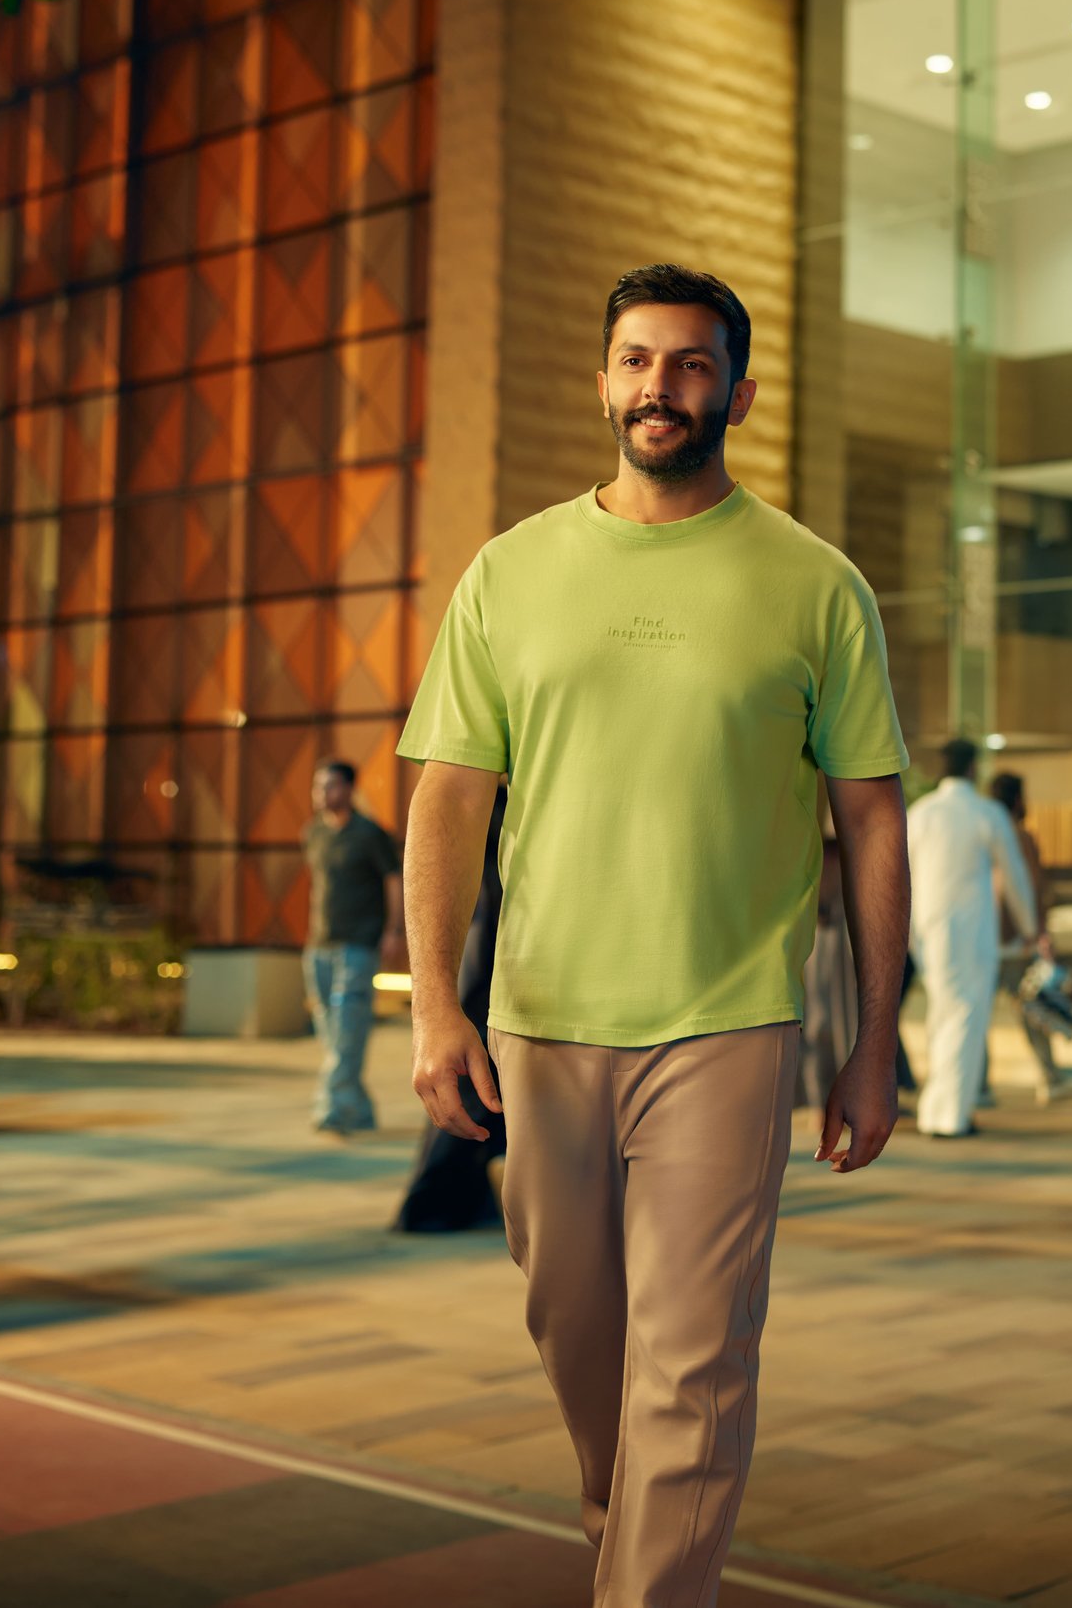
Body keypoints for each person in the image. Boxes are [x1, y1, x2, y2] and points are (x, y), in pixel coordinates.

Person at [399, 263, 911, 1606]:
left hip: (728, 1021)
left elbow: (871, 820)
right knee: (581, 1343)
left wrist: (875, 1039)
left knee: (692, 1365)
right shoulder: (511, 572)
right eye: (637, 359)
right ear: (603, 381)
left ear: (737, 394)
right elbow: (449, 794)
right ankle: (629, 1550)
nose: (660, 386)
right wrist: (435, 1003)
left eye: (691, 364)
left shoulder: (816, 584)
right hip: (540, 1020)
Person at [908, 740, 1038, 1136]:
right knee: (966, 1013)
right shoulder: (986, 812)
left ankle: (936, 1109)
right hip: (972, 929)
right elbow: (1014, 875)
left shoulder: (920, 813)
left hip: (926, 927)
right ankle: (951, 1115)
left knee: (942, 1012)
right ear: (972, 769)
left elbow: (901, 874)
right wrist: (1031, 928)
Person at [394, 788, 508, 1233]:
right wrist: (440, 1005)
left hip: (495, 968)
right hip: (489, 972)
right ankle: (439, 1202)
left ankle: (462, 1197)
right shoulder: (483, 803)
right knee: (473, 1089)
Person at [301, 759, 405, 1135]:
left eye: (330, 786)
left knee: (348, 1027)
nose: (321, 793)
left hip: (359, 944)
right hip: (318, 945)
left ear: (348, 789)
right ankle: (360, 1110)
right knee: (332, 1033)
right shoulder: (313, 833)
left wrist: (394, 930)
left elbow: (394, 882)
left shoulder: (370, 834)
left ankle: (331, 1107)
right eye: (318, 786)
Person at [986, 769, 1072, 1104]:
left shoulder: (984, 831)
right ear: (1018, 799)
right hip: (1016, 941)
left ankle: (978, 1085)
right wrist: (1038, 931)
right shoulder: (1019, 836)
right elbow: (1034, 886)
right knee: (1031, 1008)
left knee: (979, 1015)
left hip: (984, 937)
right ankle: (1051, 1077)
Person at [797, 837, 858, 1109]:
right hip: (817, 914)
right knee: (818, 1016)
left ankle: (833, 1099)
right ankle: (818, 1101)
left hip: (838, 912)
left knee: (842, 1014)